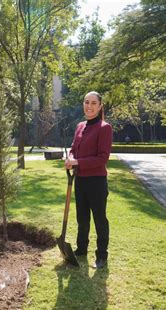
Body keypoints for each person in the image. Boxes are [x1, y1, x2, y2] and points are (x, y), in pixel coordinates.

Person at [64, 91, 112, 269]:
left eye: (93, 103)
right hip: (81, 180)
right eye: (86, 102)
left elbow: (102, 158)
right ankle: (81, 249)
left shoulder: (104, 128)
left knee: (100, 219)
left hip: (97, 182)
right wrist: (69, 158)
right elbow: (73, 149)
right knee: (82, 218)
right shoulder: (80, 126)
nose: (89, 106)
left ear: (100, 107)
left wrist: (77, 162)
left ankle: (101, 256)